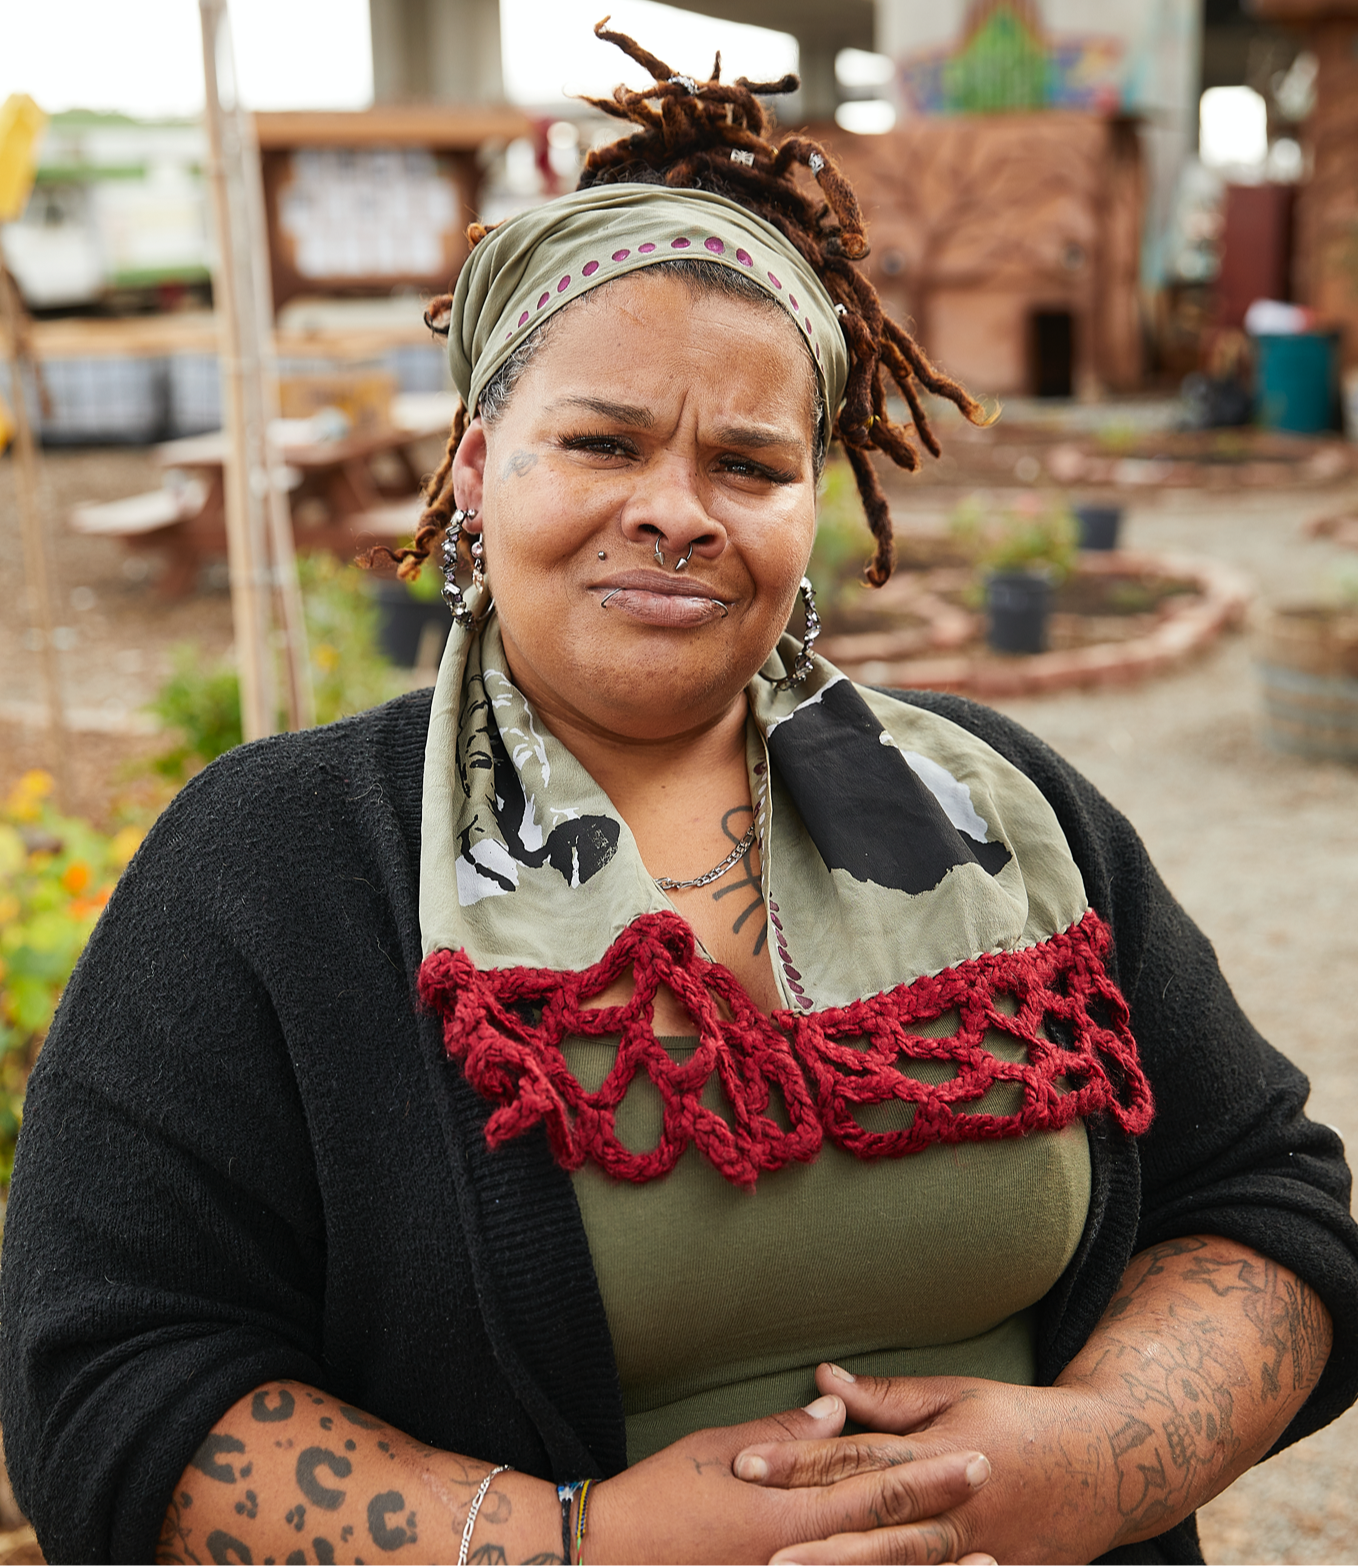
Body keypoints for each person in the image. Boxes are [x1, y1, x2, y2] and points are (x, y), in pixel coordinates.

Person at [3, 26, 1356, 1566]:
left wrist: (1103, 1457)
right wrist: (576, 1544)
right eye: (601, 440)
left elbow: (1266, 1199)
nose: (674, 510)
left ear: (810, 505)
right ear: (471, 467)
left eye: (748, 463)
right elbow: (106, 1375)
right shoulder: (272, 866)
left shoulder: (1000, 811)